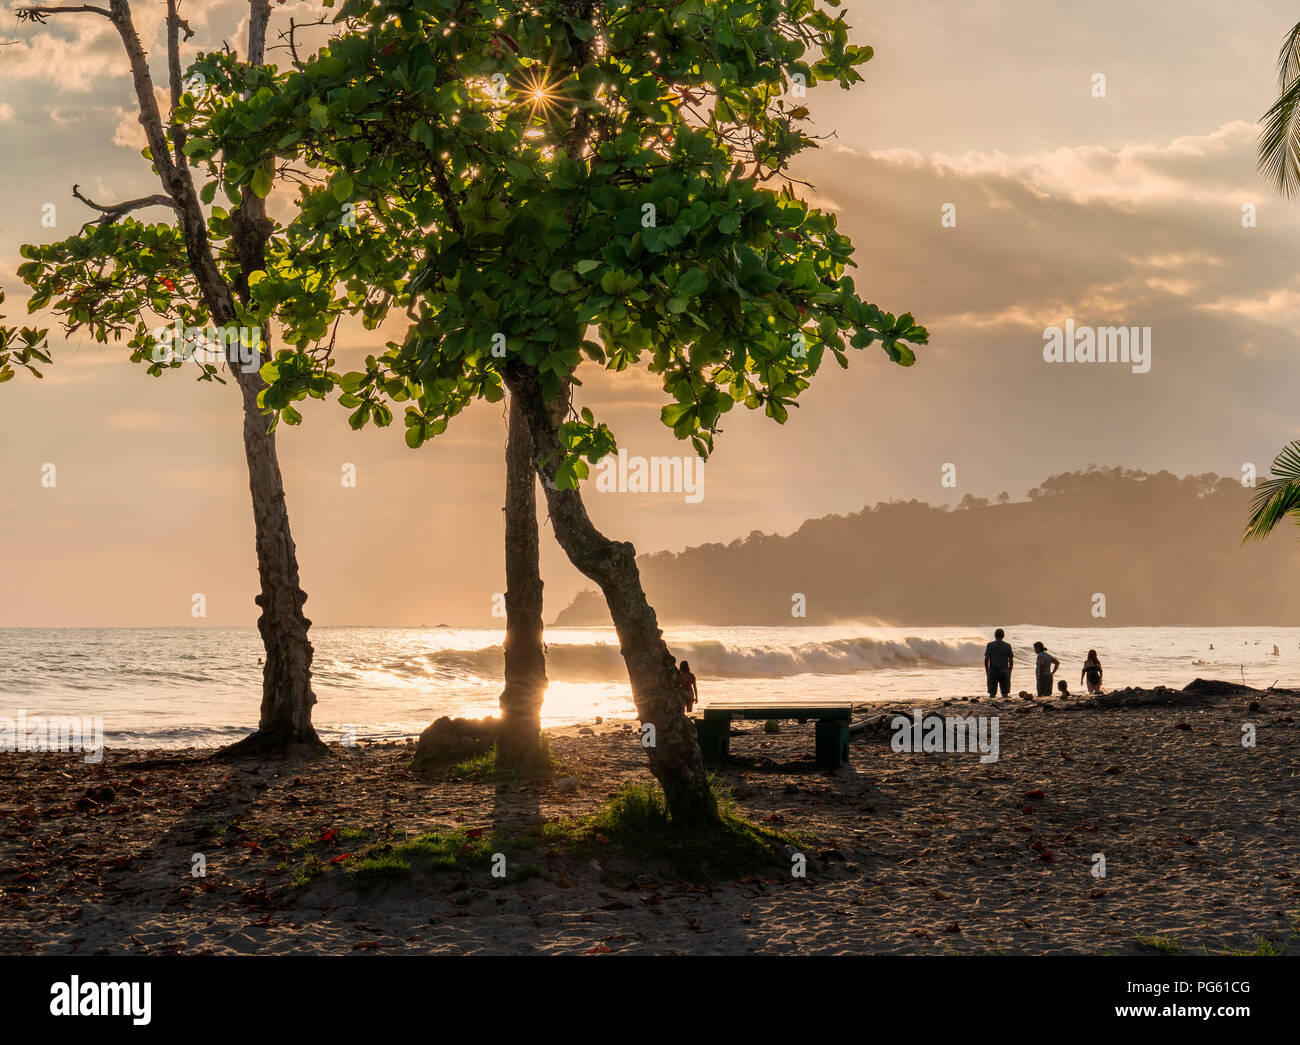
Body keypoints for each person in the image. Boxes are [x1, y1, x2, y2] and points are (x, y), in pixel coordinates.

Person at [984, 628, 1013, 697]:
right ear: (1003, 636)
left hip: (993, 670)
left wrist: (987, 670)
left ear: (995, 635)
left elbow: (986, 659)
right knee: (1005, 693)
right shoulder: (1007, 646)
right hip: (1004, 670)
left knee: (992, 693)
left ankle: (992, 706)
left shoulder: (990, 645)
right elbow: (1011, 661)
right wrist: (1009, 671)